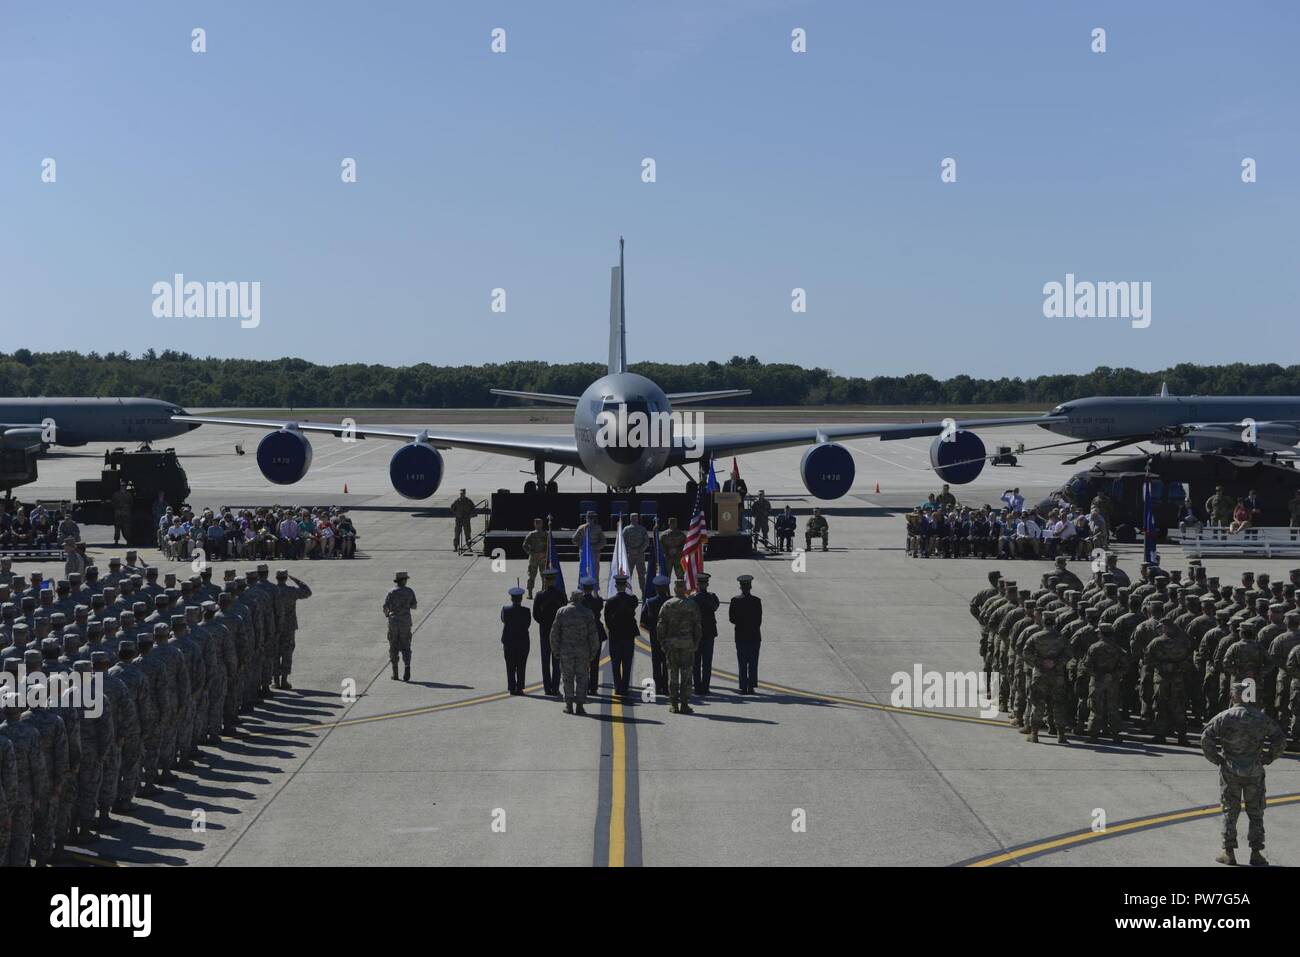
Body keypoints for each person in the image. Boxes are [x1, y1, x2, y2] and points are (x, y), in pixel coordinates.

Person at [1201, 681, 1286, 866]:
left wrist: (1217, 759)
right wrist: (1267, 758)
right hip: (1254, 771)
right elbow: (1280, 739)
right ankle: (1256, 853)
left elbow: (1205, 738)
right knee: (1256, 812)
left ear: (1233, 696)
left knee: (1230, 811)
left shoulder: (1224, 717)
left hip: (1230, 770)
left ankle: (1228, 852)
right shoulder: (1261, 718)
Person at [551, 591, 600, 715]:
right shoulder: (588, 613)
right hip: (582, 652)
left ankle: (568, 705)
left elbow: (554, 634)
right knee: (582, 678)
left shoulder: (561, 612)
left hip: (565, 651)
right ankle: (579, 705)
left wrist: (556, 650)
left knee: (567, 678)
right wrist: (592, 654)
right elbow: (593, 636)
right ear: (581, 599)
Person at [658, 580, 702, 714]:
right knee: (686, 674)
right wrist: (696, 642)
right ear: (684, 589)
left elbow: (660, 627)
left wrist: (663, 643)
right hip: (687, 644)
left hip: (672, 645)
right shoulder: (692, 605)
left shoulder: (667, 605)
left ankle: (673, 704)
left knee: (673, 674)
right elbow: (697, 626)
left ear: (675, 589)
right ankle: (684, 703)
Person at [272, 569, 312, 690]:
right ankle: (284, 680)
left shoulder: (272, 591)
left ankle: (276, 681)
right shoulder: (291, 591)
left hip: (274, 626)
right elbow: (307, 592)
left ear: (276, 578)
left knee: (274, 653)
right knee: (287, 652)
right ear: (285, 578)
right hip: (288, 626)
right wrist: (295, 579)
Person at [604, 574, 639, 694]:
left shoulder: (610, 601)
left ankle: (618, 687)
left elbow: (607, 621)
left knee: (615, 663)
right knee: (627, 663)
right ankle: (625, 686)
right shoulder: (632, 600)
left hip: (615, 636)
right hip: (628, 636)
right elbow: (634, 603)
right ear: (625, 585)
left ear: (615, 586)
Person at [532, 569, 564, 696]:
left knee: (545, 662)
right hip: (557, 631)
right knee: (556, 662)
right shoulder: (560, 594)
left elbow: (535, 614)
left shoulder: (540, 595)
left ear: (545, 580)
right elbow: (563, 611)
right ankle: (555, 688)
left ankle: (547, 688)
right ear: (554, 580)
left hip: (545, 631)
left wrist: (544, 622)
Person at [729, 574, 763, 694]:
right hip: (754, 635)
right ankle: (751, 686)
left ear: (740, 587)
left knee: (742, 662)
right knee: (753, 662)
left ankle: (743, 686)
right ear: (750, 586)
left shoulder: (735, 601)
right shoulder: (756, 601)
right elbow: (759, 620)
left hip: (740, 635)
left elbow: (732, 619)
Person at [383, 571, 417, 681]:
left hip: (393, 621)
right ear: (403, 580)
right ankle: (407, 667)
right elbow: (414, 606)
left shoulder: (391, 592)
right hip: (405, 621)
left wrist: (388, 614)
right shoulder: (409, 591)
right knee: (406, 645)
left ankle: (395, 673)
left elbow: (385, 607)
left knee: (393, 646)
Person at [640, 576, 670, 695]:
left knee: (656, 662)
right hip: (669, 636)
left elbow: (642, 622)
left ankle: (657, 687)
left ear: (656, 589)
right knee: (668, 661)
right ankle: (666, 687)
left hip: (655, 636)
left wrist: (653, 630)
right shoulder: (671, 601)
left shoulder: (650, 602)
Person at [691, 572, 720, 694]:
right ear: (707, 584)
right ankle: (705, 686)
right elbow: (715, 607)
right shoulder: (712, 597)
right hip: (709, 633)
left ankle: (697, 687)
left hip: (696, 634)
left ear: (698, 584)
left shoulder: (693, 598)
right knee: (707, 662)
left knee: (696, 662)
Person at [500, 587, 531, 695]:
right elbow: (528, 624)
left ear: (511, 599)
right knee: (521, 666)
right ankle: (520, 687)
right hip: (522, 642)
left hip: (509, 642)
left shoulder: (505, 610)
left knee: (510, 665)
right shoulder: (526, 611)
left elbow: (503, 620)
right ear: (521, 599)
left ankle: (512, 687)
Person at [579, 577, 606, 695]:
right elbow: (600, 604)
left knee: (583, 663)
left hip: (583, 634)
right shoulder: (598, 601)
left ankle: (585, 686)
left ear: (583, 588)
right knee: (595, 663)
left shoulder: (580, 602)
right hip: (596, 633)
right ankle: (593, 687)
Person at [572, 512, 606, 584]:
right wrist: (582, 546)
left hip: (594, 553)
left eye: (592, 518)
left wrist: (596, 547)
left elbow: (603, 541)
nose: (590, 519)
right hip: (584, 553)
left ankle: (595, 590)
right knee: (583, 570)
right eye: (589, 518)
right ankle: (582, 589)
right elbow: (574, 539)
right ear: (586, 518)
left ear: (594, 519)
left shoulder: (597, 528)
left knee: (595, 571)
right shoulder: (581, 528)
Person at [522, 519, 550, 599]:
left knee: (541, 576)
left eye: (539, 523)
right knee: (534, 576)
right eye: (537, 523)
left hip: (540, 558)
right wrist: (531, 553)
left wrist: (543, 553)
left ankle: (540, 592)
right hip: (537, 558)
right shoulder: (532, 534)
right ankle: (532, 593)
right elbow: (524, 545)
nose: (538, 525)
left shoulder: (545, 534)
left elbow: (549, 545)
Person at [621, 515, 649, 595]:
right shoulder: (626, 529)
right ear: (630, 519)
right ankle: (626, 591)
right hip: (630, 555)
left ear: (638, 519)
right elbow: (622, 541)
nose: (634, 519)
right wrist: (630, 550)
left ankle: (644, 591)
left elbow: (646, 541)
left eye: (635, 518)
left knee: (641, 574)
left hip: (640, 555)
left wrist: (640, 549)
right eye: (633, 518)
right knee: (628, 574)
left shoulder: (642, 529)